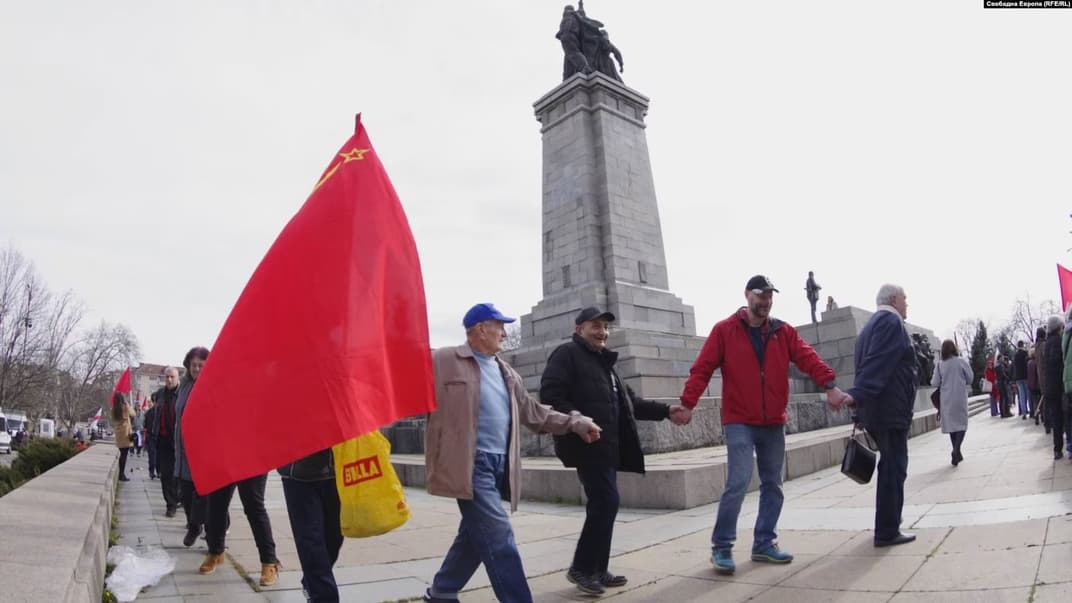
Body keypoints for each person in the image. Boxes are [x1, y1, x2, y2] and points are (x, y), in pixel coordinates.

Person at [424, 303, 601, 603]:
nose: (505, 333)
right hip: (469, 463)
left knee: (474, 535)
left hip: (500, 465)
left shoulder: (507, 373)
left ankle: (442, 591)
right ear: (481, 329)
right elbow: (403, 386)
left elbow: (535, 414)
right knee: (499, 537)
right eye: (500, 326)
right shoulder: (443, 360)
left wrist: (574, 422)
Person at [680, 275, 847, 575]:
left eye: (770, 296)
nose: (766, 301)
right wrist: (688, 404)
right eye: (760, 295)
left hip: (772, 421)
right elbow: (702, 368)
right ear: (747, 295)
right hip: (739, 420)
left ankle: (764, 543)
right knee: (738, 481)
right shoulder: (724, 331)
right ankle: (721, 546)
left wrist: (830, 385)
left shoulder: (783, 332)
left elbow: (808, 358)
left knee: (774, 485)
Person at [540, 306, 690, 594]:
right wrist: (576, 419)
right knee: (606, 501)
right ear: (579, 329)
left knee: (606, 503)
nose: (602, 332)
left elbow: (633, 404)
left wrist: (668, 410)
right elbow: (551, 395)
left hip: (608, 447)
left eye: (605, 327)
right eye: (595, 326)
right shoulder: (566, 355)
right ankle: (582, 568)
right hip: (586, 444)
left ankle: (597, 568)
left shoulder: (607, 366)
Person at [843, 284, 918, 547]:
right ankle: (887, 531)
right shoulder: (890, 322)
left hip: (879, 410)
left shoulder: (869, 327)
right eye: (905, 298)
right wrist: (857, 395)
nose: (907, 303)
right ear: (894, 299)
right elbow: (877, 364)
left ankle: (886, 526)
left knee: (890, 467)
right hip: (889, 410)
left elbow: (866, 364)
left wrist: (860, 403)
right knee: (894, 469)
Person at [279, 449, 341, 602]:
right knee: (311, 541)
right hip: (299, 476)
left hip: (336, 470)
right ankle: (323, 597)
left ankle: (311, 581)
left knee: (335, 537)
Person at [201, 473, 281, 586]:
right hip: (221, 458)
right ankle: (216, 551)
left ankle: (269, 561)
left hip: (251, 458)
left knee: (253, 505)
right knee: (215, 504)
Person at [174, 347, 210, 547]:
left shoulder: (211, 384)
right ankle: (193, 524)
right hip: (182, 447)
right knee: (185, 493)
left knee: (204, 495)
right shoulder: (185, 385)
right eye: (193, 365)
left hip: (203, 450)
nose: (196, 368)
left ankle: (205, 528)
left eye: (201, 365)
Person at [933, 339, 973, 466]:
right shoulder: (960, 361)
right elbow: (970, 378)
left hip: (946, 398)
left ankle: (956, 452)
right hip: (959, 396)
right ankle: (956, 450)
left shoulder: (940, 365)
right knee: (961, 424)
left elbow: (934, 382)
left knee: (951, 426)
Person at [150, 367, 181, 517]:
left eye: (172, 377)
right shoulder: (160, 394)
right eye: (167, 377)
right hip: (163, 440)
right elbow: (156, 415)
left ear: (177, 378)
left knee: (180, 476)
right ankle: (171, 504)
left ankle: (179, 499)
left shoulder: (182, 393)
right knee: (166, 475)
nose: (169, 380)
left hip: (179, 441)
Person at [1047, 315, 1067, 459]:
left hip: (1049, 387)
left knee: (1056, 419)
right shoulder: (1058, 342)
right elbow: (1058, 363)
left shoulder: (1047, 343)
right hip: (1059, 385)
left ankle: (1057, 449)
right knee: (1064, 416)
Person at [112, 392, 135, 482]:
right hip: (126, 433)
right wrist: (128, 404)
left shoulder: (114, 409)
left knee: (121, 453)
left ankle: (121, 473)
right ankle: (122, 474)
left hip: (118, 433)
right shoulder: (125, 407)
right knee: (124, 455)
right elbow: (133, 414)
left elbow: (114, 420)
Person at [1013, 341, 1030, 419]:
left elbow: (1014, 367)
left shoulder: (1015, 355)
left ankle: (1023, 412)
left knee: (1021, 396)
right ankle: (1029, 410)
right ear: (1023, 345)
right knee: (1027, 394)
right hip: (1025, 376)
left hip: (1018, 378)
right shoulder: (1025, 353)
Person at [144, 394, 158, 479]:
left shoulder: (148, 413)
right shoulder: (152, 412)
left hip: (152, 436)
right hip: (154, 436)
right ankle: (155, 471)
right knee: (154, 455)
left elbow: (145, 425)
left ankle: (152, 471)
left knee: (153, 455)